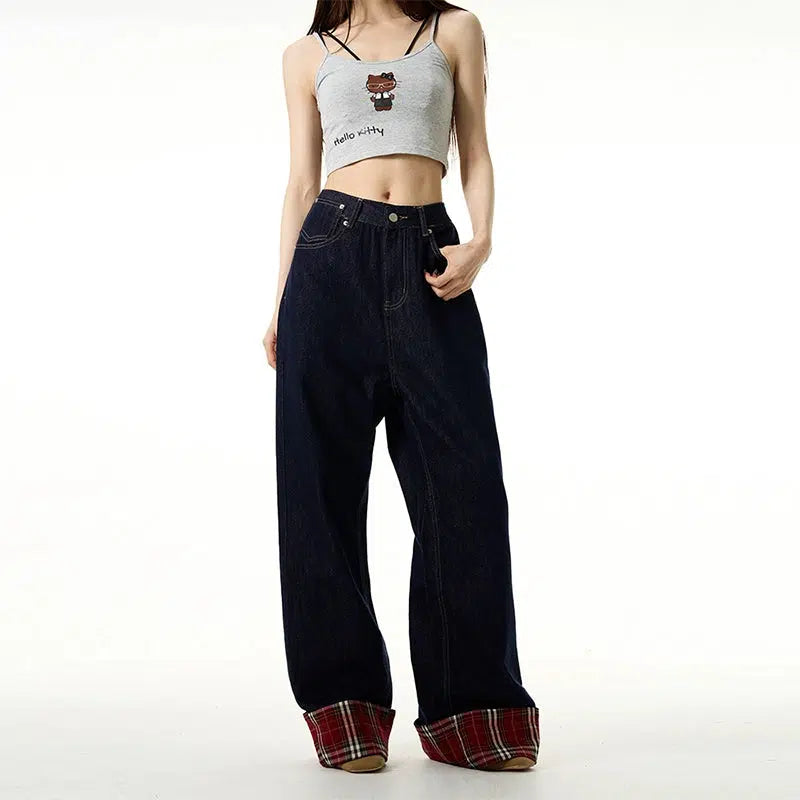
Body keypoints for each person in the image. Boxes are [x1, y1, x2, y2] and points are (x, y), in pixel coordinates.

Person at [263, 0, 540, 773]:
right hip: (330, 259)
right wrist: (282, 302)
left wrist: (481, 240)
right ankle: (343, 706)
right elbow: (300, 183)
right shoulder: (306, 53)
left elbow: (475, 146)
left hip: (430, 259)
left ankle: (470, 711)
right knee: (319, 494)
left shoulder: (453, 31)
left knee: (464, 492)